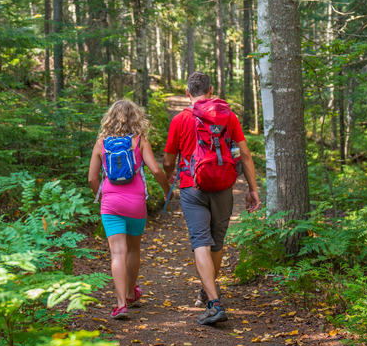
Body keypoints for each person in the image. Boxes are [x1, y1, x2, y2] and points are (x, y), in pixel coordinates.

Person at [163, 71, 261, 325]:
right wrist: (252, 189)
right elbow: (246, 154)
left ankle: (213, 302)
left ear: (188, 93)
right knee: (216, 243)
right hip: (223, 186)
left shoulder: (180, 119)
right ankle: (208, 292)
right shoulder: (229, 116)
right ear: (211, 89)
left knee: (200, 242)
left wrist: (170, 174)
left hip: (192, 186)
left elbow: (167, 160)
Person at [88, 99, 170, 320]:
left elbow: (91, 178)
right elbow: (155, 169)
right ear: (136, 117)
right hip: (136, 203)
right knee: (133, 249)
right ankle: (130, 294)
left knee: (117, 252)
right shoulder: (139, 141)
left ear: (109, 118)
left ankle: (121, 304)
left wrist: (102, 194)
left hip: (110, 203)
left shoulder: (101, 143)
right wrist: (166, 190)